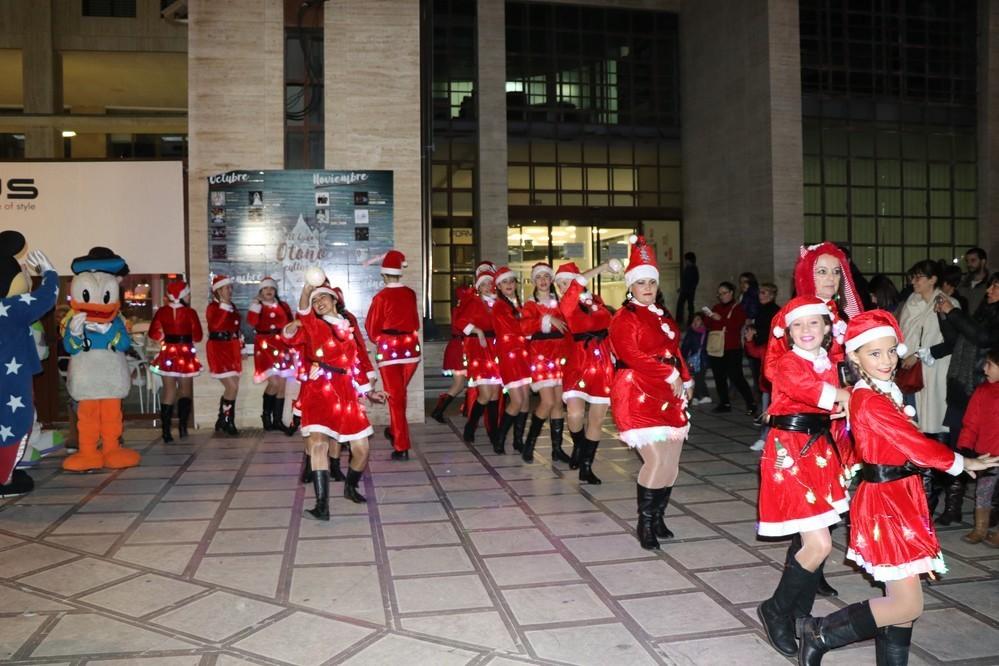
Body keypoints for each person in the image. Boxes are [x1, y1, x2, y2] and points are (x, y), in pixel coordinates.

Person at [795, 310, 999, 666]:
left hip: (901, 495)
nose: (887, 360)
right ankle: (820, 631)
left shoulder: (882, 389)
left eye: (891, 350)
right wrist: (961, 462)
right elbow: (912, 443)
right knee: (908, 603)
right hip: (886, 502)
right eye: (875, 354)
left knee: (900, 602)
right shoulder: (870, 399)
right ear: (855, 356)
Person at [755, 296, 851, 659]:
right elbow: (805, 390)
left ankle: (799, 613)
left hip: (819, 451)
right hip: (790, 453)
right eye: (798, 324)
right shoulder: (787, 362)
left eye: (814, 323)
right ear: (788, 331)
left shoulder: (827, 361)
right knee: (819, 545)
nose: (806, 330)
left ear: (827, 328)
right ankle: (776, 609)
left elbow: (834, 407)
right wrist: (843, 395)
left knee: (814, 540)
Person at [610, 235, 692, 550]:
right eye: (640, 282)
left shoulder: (662, 315)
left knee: (672, 461)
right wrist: (668, 372)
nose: (647, 288)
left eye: (651, 282)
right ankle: (644, 523)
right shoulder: (624, 317)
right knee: (655, 460)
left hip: (668, 391)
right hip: (637, 391)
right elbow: (629, 353)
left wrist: (685, 376)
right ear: (630, 286)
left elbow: (674, 351)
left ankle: (658, 517)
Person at [283, 280, 385, 519]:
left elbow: (356, 362)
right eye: (315, 300)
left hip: (347, 392)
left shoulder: (348, 327)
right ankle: (322, 505)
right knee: (318, 443)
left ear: (334, 300)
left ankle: (350, 487)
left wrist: (369, 391)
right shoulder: (314, 325)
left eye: (323, 298)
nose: (319, 303)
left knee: (362, 449)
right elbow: (302, 316)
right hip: (319, 388)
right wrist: (307, 290)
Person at [898, 260, 959, 518]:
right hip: (910, 376)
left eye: (919, 278)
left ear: (933, 279)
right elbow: (902, 334)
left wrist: (921, 354)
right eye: (913, 278)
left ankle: (943, 500)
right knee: (914, 432)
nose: (914, 282)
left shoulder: (948, 304)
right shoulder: (911, 303)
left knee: (938, 435)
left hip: (936, 373)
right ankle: (921, 497)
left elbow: (952, 342)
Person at [937, 272, 999, 526]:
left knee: (989, 454)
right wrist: (944, 316)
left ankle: (991, 515)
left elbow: (982, 338)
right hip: (962, 387)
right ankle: (953, 506)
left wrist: (954, 312)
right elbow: (956, 340)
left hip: (983, 389)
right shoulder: (983, 312)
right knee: (958, 446)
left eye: (996, 286)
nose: (989, 290)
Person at [556, 259, 620, 485]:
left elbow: (610, 327)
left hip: (602, 364)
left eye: (566, 282)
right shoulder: (566, 304)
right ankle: (580, 446)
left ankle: (586, 466)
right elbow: (576, 288)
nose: (563, 287)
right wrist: (603, 266)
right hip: (578, 364)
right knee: (574, 414)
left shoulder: (597, 302)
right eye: (560, 284)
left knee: (597, 418)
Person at [365, 250, 421, 461]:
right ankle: (395, 431)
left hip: (390, 352)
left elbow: (371, 328)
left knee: (396, 399)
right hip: (411, 350)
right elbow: (414, 321)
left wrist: (381, 338)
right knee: (399, 396)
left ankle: (401, 446)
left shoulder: (380, 297)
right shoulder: (410, 294)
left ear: (384, 274)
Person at [520, 262, 572, 463]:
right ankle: (529, 444)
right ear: (534, 281)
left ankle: (557, 449)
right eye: (539, 277)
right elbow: (524, 327)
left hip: (561, 356)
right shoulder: (530, 305)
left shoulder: (561, 303)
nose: (543, 281)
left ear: (551, 281)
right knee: (548, 401)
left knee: (558, 403)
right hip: (540, 356)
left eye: (546, 277)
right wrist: (547, 320)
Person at [149, 280, 203, 443]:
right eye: (188, 293)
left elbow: (153, 333)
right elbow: (198, 336)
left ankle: (166, 432)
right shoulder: (190, 312)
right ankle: (182, 427)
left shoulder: (162, 312)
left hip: (168, 353)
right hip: (185, 353)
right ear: (183, 295)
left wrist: (164, 337)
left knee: (169, 391)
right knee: (185, 391)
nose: (190, 296)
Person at [489, 266, 533, 455]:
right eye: (505, 282)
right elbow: (516, 328)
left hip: (522, 356)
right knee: (517, 401)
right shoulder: (499, 306)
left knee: (525, 401)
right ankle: (499, 439)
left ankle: (517, 440)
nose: (509, 285)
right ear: (498, 286)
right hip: (509, 357)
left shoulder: (516, 305)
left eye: (512, 281)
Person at [457, 267, 502, 443]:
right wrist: (478, 331)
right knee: (484, 394)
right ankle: (471, 426)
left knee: (495, 395)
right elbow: (460, 321)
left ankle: (494, 432)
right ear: (478, 287)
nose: (488, 287)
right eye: (484, 284)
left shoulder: (499, 303)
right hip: (479, 349)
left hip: (497, 350)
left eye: (490, 283)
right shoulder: (474, 302)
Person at [959, 349, 999, 546]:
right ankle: (980, 528)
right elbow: (971, 423)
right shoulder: (982, 392)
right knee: (983, 491)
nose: (984, 369)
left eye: (989, 365)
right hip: (988, 455)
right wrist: (965, 447)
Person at [247, 277, 296, 433]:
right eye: (265, 289)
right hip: (265, 347)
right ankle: (266, 417)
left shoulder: (283, 306)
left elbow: (291, 324)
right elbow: (251, 322)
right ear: (261, 291)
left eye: (272, 289)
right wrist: (255, 305)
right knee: (274, 383)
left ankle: (278, 421)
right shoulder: (257, 306)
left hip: (283, 346)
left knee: (282, 385)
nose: (269, 291)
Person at [704, 281, 756, 415]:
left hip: (732, 348)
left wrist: (720, 319)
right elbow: (709, 325)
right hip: (716, 347)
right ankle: (724, 403)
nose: (721, 296)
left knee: (736, 376)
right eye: (719, 294)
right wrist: (709, 317)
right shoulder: (716, 307)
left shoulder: (737, 308)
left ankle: (751, 403)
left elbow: (736, 325)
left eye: (724, 293)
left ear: (731, 293)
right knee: (718, 376)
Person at [744, 282, 781, 451]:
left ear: (772, 295)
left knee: (774, 408)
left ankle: (771, 438)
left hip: (775, 366)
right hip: (764, 358)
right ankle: (765, 437)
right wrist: (751, 337)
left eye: (765, 292)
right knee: (767, 404)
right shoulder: (760, 310)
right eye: (760, 292)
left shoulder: (774, 311)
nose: (762, 295)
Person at [205, 274, 242, 436]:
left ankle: (223, 420)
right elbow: (216, 326)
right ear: (218, 291)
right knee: (231, 387)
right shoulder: (213, 308)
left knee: (234, 387)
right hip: (218, 349)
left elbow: (236, 326)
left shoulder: (231, 306)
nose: (230, 290)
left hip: (231, 348)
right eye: (226, 288)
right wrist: (224, 307)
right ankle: (227, 421)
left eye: (230, 287)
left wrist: (240, 345)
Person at [430, 285, 473, 423]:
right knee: (461, 383)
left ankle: (464, 410)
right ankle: (440, 411)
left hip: (458, 347)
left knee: (463, 383)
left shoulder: (459, 309)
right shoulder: (463, 310)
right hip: (461, 348)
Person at [681, 313, 710, 405]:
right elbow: (685, 347)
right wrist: (683, 358)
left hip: (704, 359)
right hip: (695, 359)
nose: (695, 322)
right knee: (697, 378)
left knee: (699, 378)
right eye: (694, 320)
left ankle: (700, 397)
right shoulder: (691, 332)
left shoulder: (707, 332)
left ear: (702, 321)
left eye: (698, 319)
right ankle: (701, 397)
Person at [961, 247, 989, 313]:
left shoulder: (991, 283)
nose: (969, 264)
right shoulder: (962, 282)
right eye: (967, 261)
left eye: (973, 260)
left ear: (983, 261)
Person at [675, 251, 699, 326]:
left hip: (688, 291)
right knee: (686, 306)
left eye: (686, 260)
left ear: (689, 260)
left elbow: (693, 281)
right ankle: (683, 321)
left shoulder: (693, 269)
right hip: (686, 290)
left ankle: (686, 321)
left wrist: (685, 289)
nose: (685, 261)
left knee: (686, 306)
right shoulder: (689, 268)